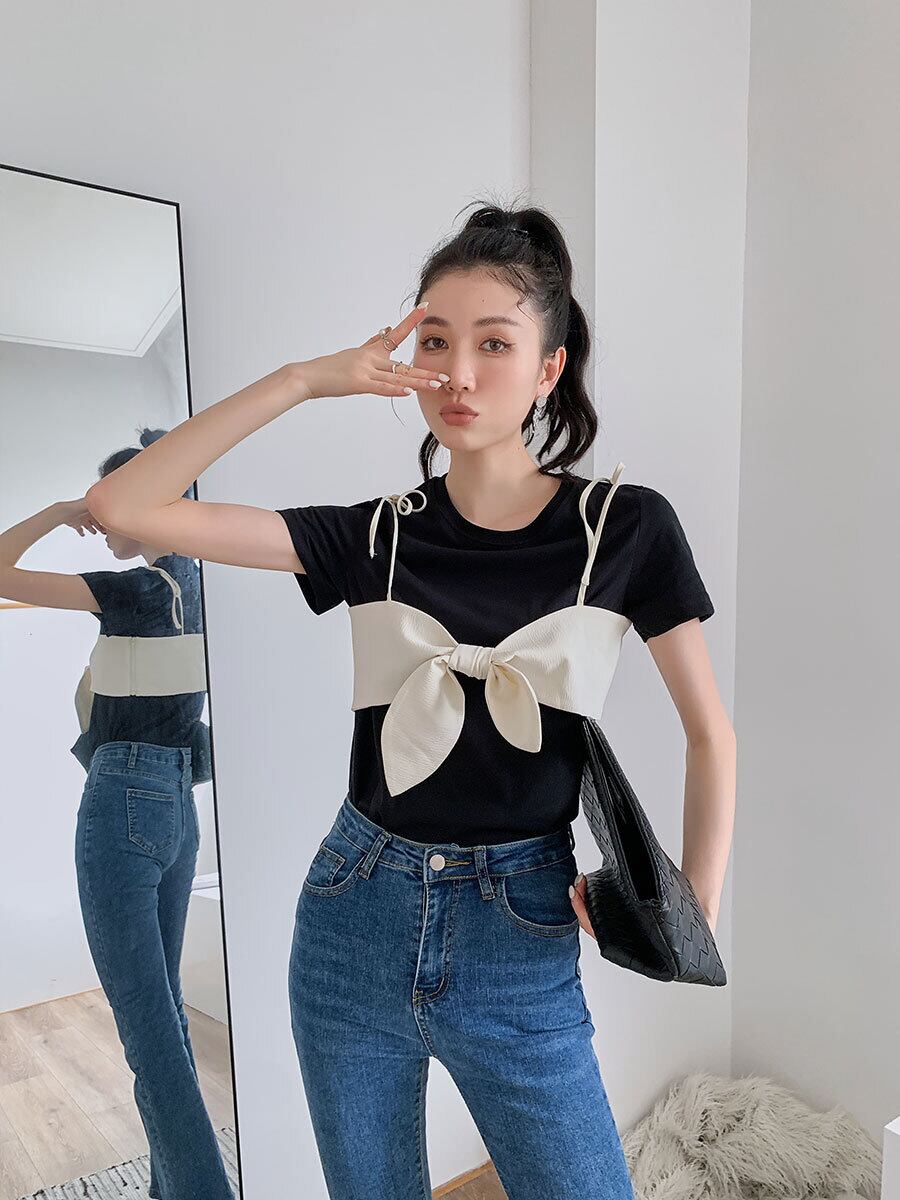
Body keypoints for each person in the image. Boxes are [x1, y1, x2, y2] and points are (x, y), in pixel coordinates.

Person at [84, 201, 736, 1200]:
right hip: (354, 915)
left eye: (494, 343)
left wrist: (686, 913)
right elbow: (124, 506)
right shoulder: (373, 536)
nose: (459, 373)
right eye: (436, 341)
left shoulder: (626, 527)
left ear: (549, 368)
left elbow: (709, 734)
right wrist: (306, 381)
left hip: (522, 927)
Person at [0, 429, 232, 1200]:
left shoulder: (134, 591)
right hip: (178, 810)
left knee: (150, 1043)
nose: (99, 519)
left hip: (123, 803)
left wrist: (59, 510)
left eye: (108, 502)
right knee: (166, 1025)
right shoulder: (205, 585)